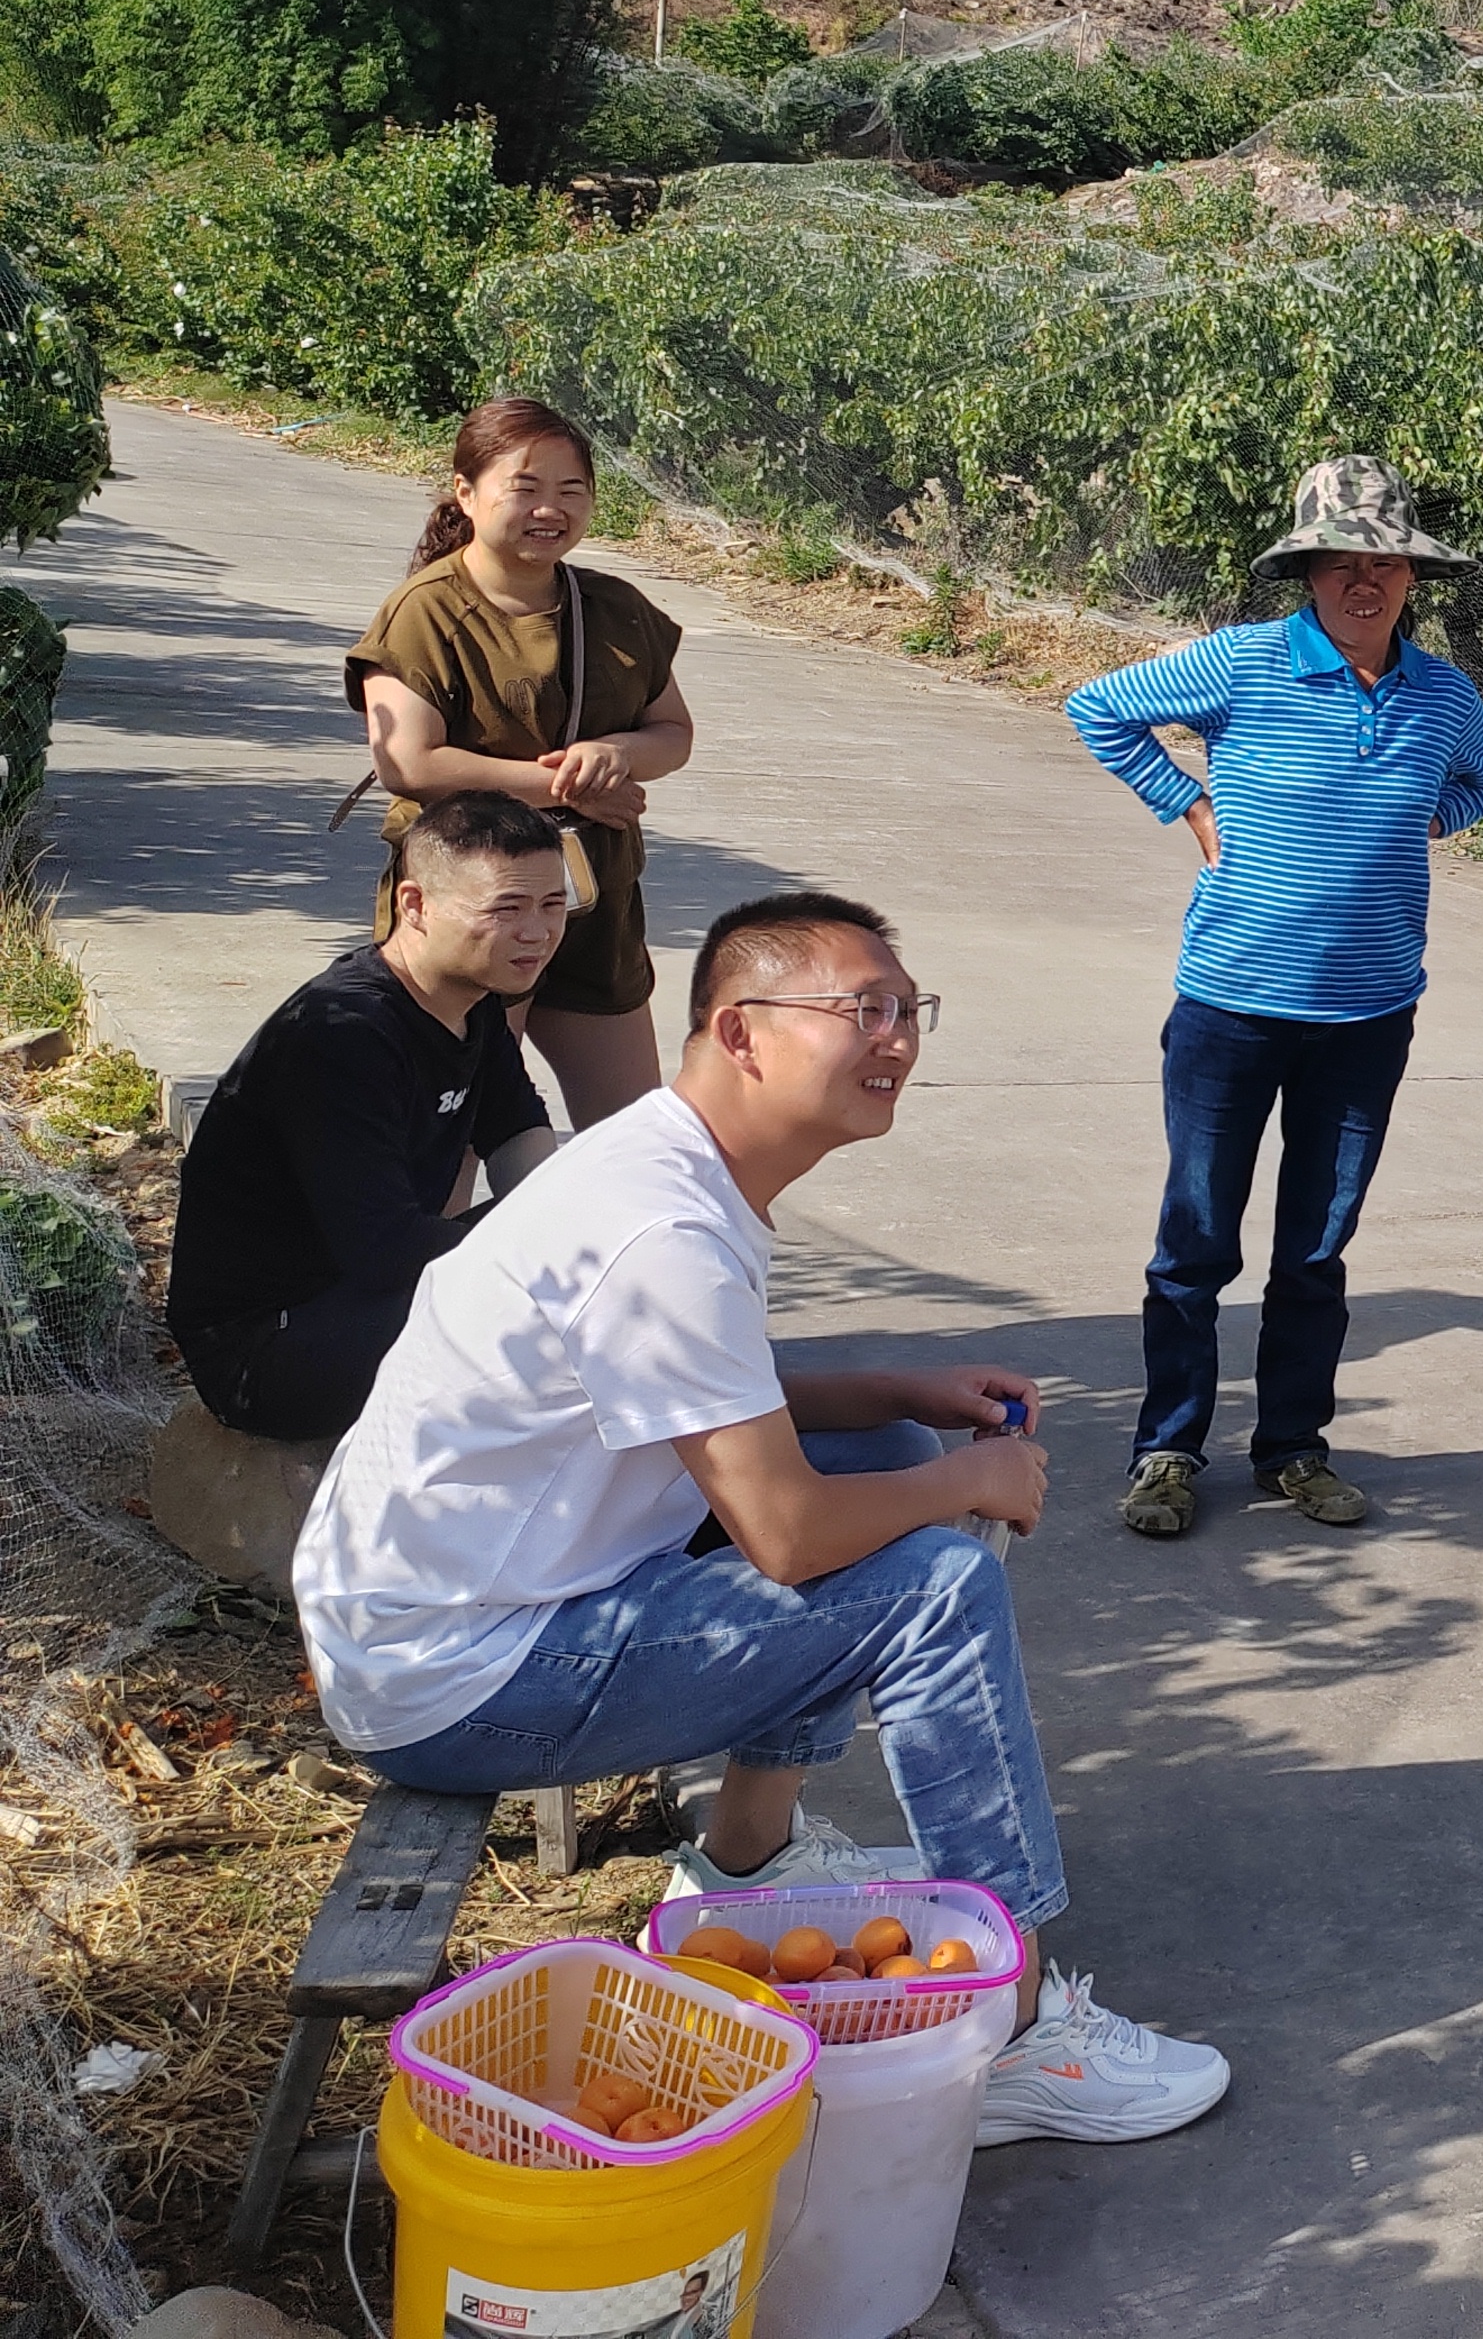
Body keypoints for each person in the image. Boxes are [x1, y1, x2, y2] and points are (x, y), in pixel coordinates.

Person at [293, 890, 1232, 2149]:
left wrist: (897, 1394)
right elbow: (786, 1536)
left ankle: (746, 1857)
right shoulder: (661, 1227)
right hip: (461, 1682)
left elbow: (699, 1400)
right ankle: (1008, 2034)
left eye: (910, 1011)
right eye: (863, 1011)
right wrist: (969, 1484)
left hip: (440, 1625)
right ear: (739, 1031)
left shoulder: (661, 1167)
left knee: (883, 1449)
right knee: (936, 1582)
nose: (896, 1040)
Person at [1066, 457, 1483, 1540]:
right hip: (1231, 1006)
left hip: (1368, 1019)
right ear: (1307, 572)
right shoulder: (1248, 662)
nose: (1366, 583)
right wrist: (1189, 804)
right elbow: (1099, 709)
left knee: (1312, 1252)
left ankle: (1293, 1452)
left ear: (1412, 578)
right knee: (1196, 1244)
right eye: (1343, 563)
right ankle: (1169, 1451)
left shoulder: (1442, 695)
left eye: (1387, 564)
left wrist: (1431, 823)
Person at [165, 790, 572, 1440]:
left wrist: (581, 1227)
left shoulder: (475, 998)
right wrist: (559, 1256)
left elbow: (520, 1132)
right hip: (268, 1351)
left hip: (367, 1300)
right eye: (506, 908)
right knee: (553, 1321)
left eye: (554, 905)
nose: (537, 932)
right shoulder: (345, 1033)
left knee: (604, 1231)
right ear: (414, 905)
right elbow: (385, 1252)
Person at [350, 397, 696, 1129]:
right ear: (466, 494)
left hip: (590, 898)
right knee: (452, 1135)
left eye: (572, 492)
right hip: (472, 901)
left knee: (629, 1136)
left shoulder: (616, 609)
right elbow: (407, 762)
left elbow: (672, 732)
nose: (551, 509)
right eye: (527, 488)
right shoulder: (425, 612)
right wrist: (564, 788)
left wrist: (615, 754)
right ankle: (430, 1248)